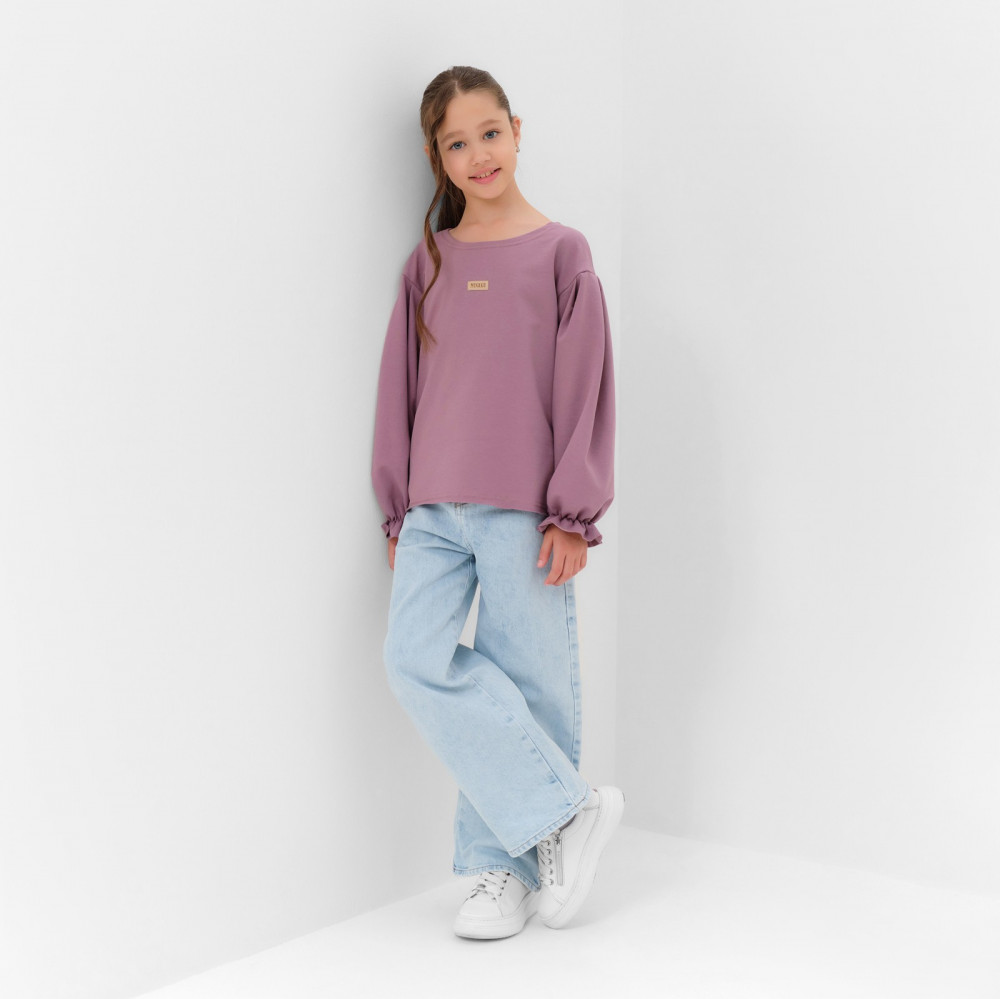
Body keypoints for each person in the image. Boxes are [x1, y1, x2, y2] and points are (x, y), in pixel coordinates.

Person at [371, 65, 624, 940]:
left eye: (489, 133)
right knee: (413, 659)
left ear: (517, 131)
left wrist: (573, 510)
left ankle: (497, 870)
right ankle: (566, 810)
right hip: (434, 508)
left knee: (532, 682)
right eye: (456, 143)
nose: (478, 154)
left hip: (527, 508)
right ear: (437, 159)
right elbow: (401, 388)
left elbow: (585, 384)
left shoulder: (562, 253)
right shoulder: (430, 262)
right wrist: (399, 506)